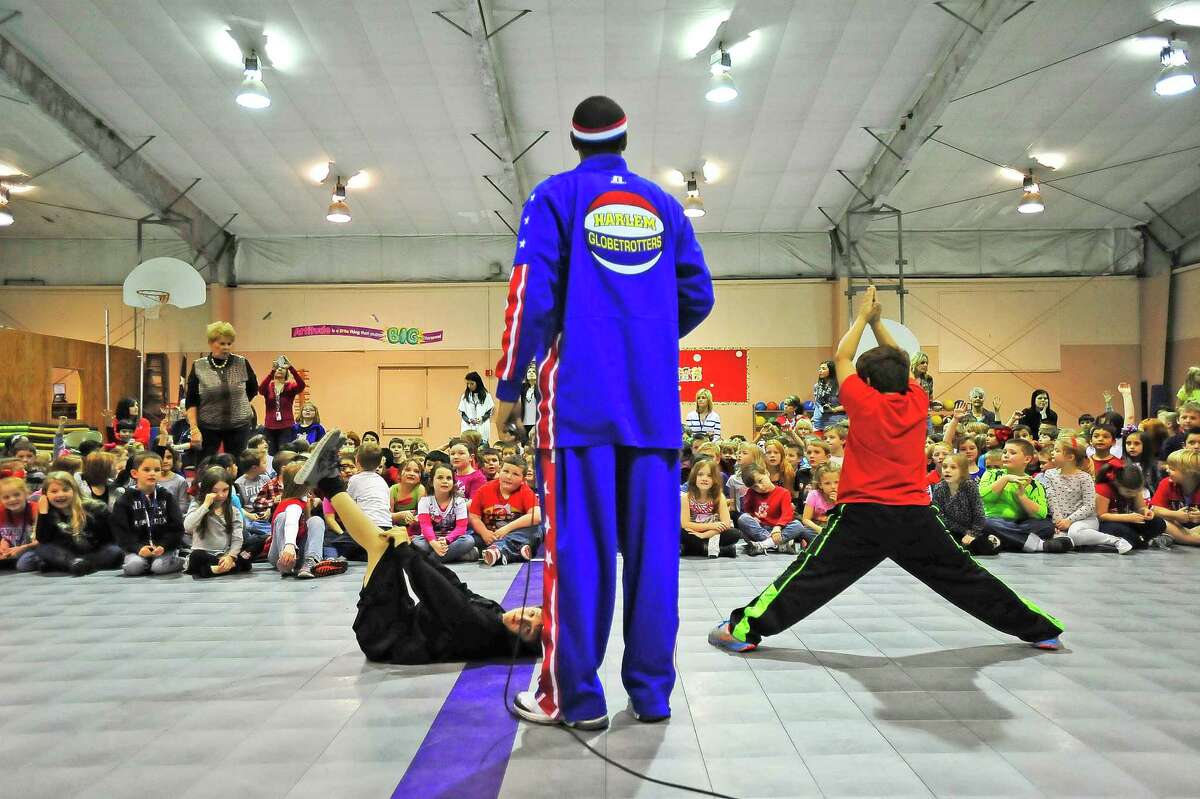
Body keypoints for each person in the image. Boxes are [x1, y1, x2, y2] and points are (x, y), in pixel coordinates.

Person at [490, 95, 714, 729]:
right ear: (624, 140)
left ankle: (575, 699)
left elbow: (530, 295)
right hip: (653, 411)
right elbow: (699, 294)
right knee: (654, 560)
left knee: (578, 557)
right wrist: (647, 336)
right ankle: (652, 694)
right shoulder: (665, 205)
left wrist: (508, 386)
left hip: (579, 411)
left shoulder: (554, 196)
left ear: (573, 141)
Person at [708, 285, 1063, 655]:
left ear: (866, 382)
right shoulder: (917, 399)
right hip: (915, 516)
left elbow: (842, 356)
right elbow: (900, 361)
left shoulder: (862, 401)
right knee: (966, 577)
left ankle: (741, 630)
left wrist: (863, 317)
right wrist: (879, 323)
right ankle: (1041, 630)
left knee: (809, 578)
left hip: (863, 516)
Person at [285, 430, 541, 663]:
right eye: (530, 613)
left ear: (520, 643)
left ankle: (328, 481)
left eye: (527, 630)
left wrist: (407, 553)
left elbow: (439, 593)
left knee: (381, 546)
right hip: (401, 619)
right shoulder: (497, 615)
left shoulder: (486, 632)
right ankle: (326, 480)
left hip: (387, 637)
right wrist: (411, 549)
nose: (522, 618)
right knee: (382, 544)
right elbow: (456, 587)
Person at [1037, 437, 1131, 554]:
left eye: (1057, 450)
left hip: (1085, 520)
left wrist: (1069, 520)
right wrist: (1058, 522)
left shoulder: (1085, 478)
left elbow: (1089, 506)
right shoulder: (1050, 474)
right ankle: (1087, 545)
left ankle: (1116, 541)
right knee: (1058, 537)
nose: (1052, 453)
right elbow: (1051, 499)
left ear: (1070, 457)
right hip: (1060, 520)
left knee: (1075, 533)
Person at [979, 439, 1068, 553]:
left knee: (1047, 526)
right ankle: (1039, 545)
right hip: (995, 520)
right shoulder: (992, 474)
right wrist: (1005, 479)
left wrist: (1021, 496)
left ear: (1027, 459)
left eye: (1012, 453)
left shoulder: (1035, 484)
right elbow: (985, 497)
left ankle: (1004, 541)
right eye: (1004, 452)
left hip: (1022, 523)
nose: (1006, 455)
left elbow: (1041, 514)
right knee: (984, 523)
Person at [186, 321, 258, 461]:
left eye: (229, 343)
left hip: (239, 425)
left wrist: (237, 403)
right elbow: (191, 400)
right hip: (208, 426)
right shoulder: (199, 366)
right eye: (222, 343)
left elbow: (253, 389)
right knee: (206, 464)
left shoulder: (242, 363)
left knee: (238, 464)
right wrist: (194, 429)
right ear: (211, 343)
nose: (226, 347)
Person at [30, 472, 123, 575]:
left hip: (93, 552)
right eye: (54, 491)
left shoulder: (96, 508)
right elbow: (43, 539)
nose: (60, 495)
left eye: (65, 490)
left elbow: (110, 538)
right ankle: (74, 564)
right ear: (45, 494)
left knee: (115, 551)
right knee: (43, 549)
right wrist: (43, 513)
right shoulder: (48, 512)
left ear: (74, 490)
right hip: (65, 554)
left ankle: (72, 565)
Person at [110, 451, 185, 576]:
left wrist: (164, 546)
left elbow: (177, 528)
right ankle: (147, 564)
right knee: (134, 567)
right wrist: (138, 548)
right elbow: (121, 532)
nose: (152, 473)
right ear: (135, 473)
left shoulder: (167, 497)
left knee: (159, 567)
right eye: (146, 469)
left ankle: (184, 561)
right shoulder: (124, 500)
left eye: (157, 470)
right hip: (137, 550)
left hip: (163, 549)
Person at [471, 455, 542, 566]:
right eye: (506, 471)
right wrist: (484, 533)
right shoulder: (484, 489)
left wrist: (506, 529)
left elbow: (536, 516)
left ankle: (498, 550)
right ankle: (517, 552)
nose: (509, 477)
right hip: (489, 536)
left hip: (514, 536)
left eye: (515, 474)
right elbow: (474, 517)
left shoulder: (526, 491)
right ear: (499, 471)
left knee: (537, 531)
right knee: (468, 540)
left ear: (523, 480)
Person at [184, 466, 252, 578]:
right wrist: (205, 505)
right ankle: (227, 568)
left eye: (225, 490)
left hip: (223, 555)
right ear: (207, 490)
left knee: (247, 554)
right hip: (204, 554)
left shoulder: (233, 510)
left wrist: (230, 557)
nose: (221, 495)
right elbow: (188, 526)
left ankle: (212, 570)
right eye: (215, 491)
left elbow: (237, 538)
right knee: (196, 556)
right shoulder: (197, 505)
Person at [930, 453, 998, 555]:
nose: (947, 470)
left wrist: (972, 534)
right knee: (940, 545)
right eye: (945, 467)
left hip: (973, 529)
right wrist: (964, 531)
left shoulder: (970, 486)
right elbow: (939, 515)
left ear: (962, 471)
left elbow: (979, 514)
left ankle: (994, 541)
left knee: (984, 546)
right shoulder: (939, 488)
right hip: (951, 530)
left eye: (953, 467)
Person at [1096, 464, 1172, 549]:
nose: (1133, 494)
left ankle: (1140, 540)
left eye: (1137, 491)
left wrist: (1145, 512)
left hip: (1128, 520)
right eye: (1128, 492)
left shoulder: (1134, 489)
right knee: (1126, 533)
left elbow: (1140, 508)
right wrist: (1128, 517)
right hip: (1107, 523)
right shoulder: (1103, 489)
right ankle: (1143, 541)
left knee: (1159, 523)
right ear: (1117, 483)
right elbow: (1101, 516)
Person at [736, 464, 807, 555]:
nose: (760, 487)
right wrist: (753, 517)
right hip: (759, 529)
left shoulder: (783, 492)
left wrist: (778, 527)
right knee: (743, 518)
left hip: (778, 530)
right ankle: (776, 544)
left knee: (798, 525)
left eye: (760, 481)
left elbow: (787, 514)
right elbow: (747, 510)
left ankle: (764, 545)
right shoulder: (751, 493)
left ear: (767, 473)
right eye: (755, 487)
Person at [414, 462, 476, 563]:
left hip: (452, 540)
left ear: (453, 482)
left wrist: (447, 540)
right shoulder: (424, 501)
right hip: (430, 540)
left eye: (448, 478)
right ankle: (460, 555)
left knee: (469, 540)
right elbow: (426, 526)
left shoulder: (459, 501)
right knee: (417, 543)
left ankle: (429, 560)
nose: (445, 481)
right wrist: (434, 543)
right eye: (440, 478)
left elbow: (461, 528)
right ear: (431, 481)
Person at [680, 459, 737, 559]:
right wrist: (710, 526)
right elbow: (685, 524)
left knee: (735, 534)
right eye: (700, 475)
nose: (704, 478)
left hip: (713, 533)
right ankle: (718, 550)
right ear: (694, 477)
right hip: (694, 530)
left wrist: (705, 535)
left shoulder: (719, 497)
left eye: (709, 476)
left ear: (715, 479)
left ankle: (690, 549)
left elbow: (726, 524)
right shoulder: (686, 497)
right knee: (678, 532)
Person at [1149, 449, 1200, 546]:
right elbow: (1154, 509)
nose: (1167, 470)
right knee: (1161, 522)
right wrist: (1175, 515)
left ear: (1189, 473)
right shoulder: (1166, 483)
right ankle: (1193, 540)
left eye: (1172, 468)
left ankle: (1185, 539)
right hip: (1177, 528)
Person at [259, 356, 306, 454]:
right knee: (270, 453)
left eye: (282, 368)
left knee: (285, 453)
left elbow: (301, 386)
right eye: (277, 368)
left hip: (286, 426)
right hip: (270, 426)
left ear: (286, 372)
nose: (279, 369)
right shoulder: (269, 386)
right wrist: (271, 372)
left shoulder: (290, 386)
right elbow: (261, 390)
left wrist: (291, 368)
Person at [0, 476, 39, 571]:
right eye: (6, 497)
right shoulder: (1, 512)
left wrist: (23, 548)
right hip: (14, 549)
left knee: (23, 565)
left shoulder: (35, 509)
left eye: (17, 495)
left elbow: (43, 538)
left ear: (26, 494)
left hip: (34, 547)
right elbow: (6, 535)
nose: (12, 499)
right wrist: (4, 543)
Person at [800, 463, 841, 543]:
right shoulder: (814, 495)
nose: (833, 486)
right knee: (802, 530)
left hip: (834, 528)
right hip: (816, 528)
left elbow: (845, 519)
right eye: (827, 483)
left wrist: (837, 503)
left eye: (836, 482)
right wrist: (820, 529)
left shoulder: (844, 496)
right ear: (820, 485)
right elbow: (806, 519)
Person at [459, 372, 495, 443]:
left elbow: (489, 412)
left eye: (472, 384)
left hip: (482, 425)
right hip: (468, 426)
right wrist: (468, 420)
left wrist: (481, 418)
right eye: (468, 384)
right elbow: (462, 412)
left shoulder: (486, 396)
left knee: (482, 445)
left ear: (478, 383)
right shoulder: (465, 396)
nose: (469, 386)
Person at [811, 360, 844, 431]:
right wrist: (814, 418)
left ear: (831, 371)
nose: (820, 370)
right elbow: (817, 405)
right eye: (820, 368)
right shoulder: (817, 386)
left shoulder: (839, 386)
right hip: (820, 422)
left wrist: (833, 409)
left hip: (837, 422)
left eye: (823, 369)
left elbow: (849, 406)